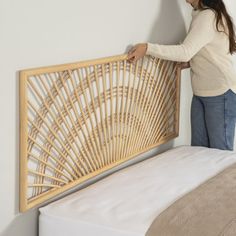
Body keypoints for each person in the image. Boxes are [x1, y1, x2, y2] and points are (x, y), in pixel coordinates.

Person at [127, 0, 236, 151]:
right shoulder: (200, 14)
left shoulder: (208, 16)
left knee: (219, 155)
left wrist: (147, 48)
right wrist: (193, 62)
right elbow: (208, 50)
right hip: (201, 92)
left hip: (220, 92)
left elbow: (185, 52)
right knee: (198, 152)